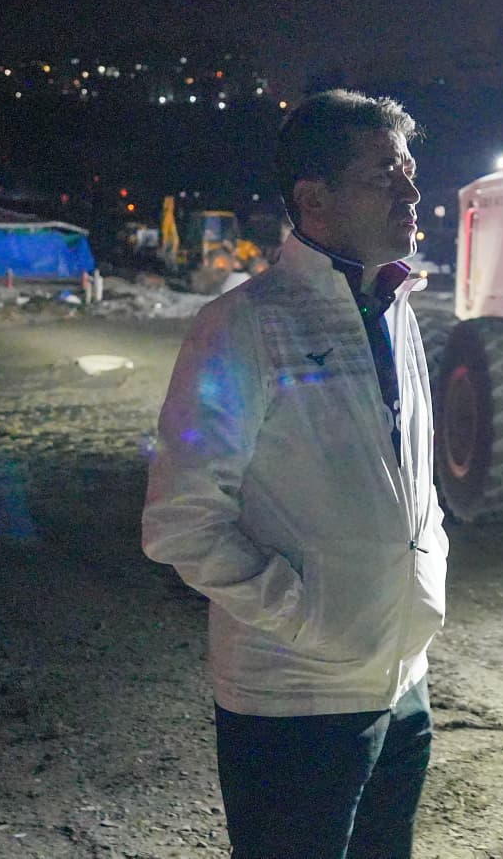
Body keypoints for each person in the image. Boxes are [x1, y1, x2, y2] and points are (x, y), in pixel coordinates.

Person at [143, 89, 446, 859]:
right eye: (385, 175)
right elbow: (182, 517)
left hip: (402, 681)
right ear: (314, 200)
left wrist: (425, 583)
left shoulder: (394, 306)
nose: (412, 192)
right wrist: (311, 618)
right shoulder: (242, 325)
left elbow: (414, 481)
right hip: (296, 703)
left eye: (410, 171)